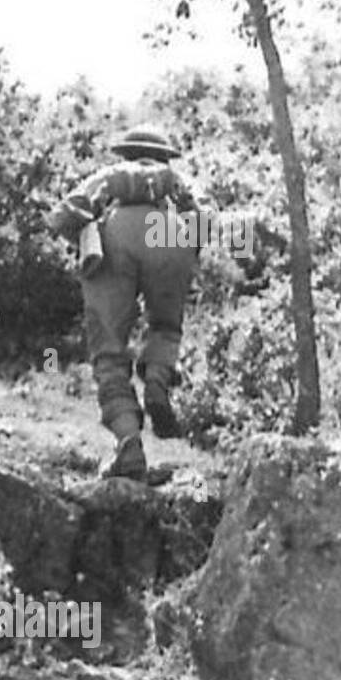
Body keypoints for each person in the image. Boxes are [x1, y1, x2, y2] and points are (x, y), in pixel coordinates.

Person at [45, 125, 200, 481]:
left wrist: (83, 240)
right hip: (169, 232)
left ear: (126, 153)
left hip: (117, 233)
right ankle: (159, 382)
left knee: (109, 349)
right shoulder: (176, 180)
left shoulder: (113, 175)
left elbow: (67, 212)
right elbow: (208, 221)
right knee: (165, 325)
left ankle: (128, 441)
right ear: (164, 156)